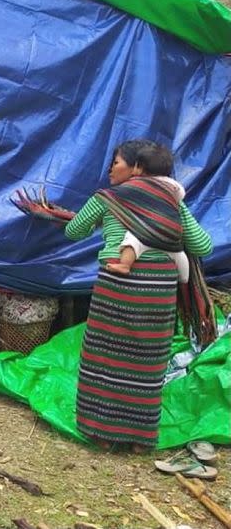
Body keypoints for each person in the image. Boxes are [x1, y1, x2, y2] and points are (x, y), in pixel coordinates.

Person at [64, 139, 213, 453]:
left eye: (116, 162)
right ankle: (140, 440)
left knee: (104, 358)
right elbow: (203, 246)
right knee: (147, 363)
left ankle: (100, 432)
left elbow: (74, 231)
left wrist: (102, 222)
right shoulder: (173, 203)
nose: (111, 168)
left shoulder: (107, 198)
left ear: (137, 168)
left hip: (116, 287)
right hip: (157, 292)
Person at [105, 146, 190, 283]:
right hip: (172, 232)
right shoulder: (173, 186)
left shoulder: (134, 184)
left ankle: (125, 265)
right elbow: (180, 194)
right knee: (179, 254)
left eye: (115, 163)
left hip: (147, 231)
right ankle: (184, 278)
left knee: (131, 240)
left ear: (139, 168)